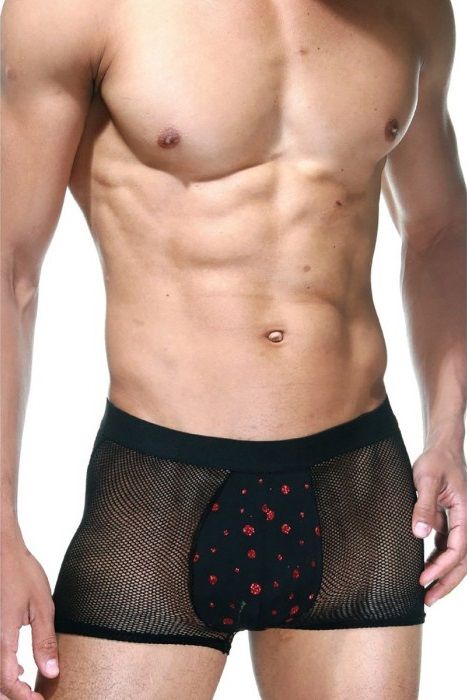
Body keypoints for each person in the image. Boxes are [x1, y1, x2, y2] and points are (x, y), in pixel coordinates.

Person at [1, 0, 466, 698]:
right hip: (162, 489)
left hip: (359, 487)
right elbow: (10, 267)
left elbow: (438, 231)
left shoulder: (410, 9)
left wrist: (448, 432)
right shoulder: (77, 11)